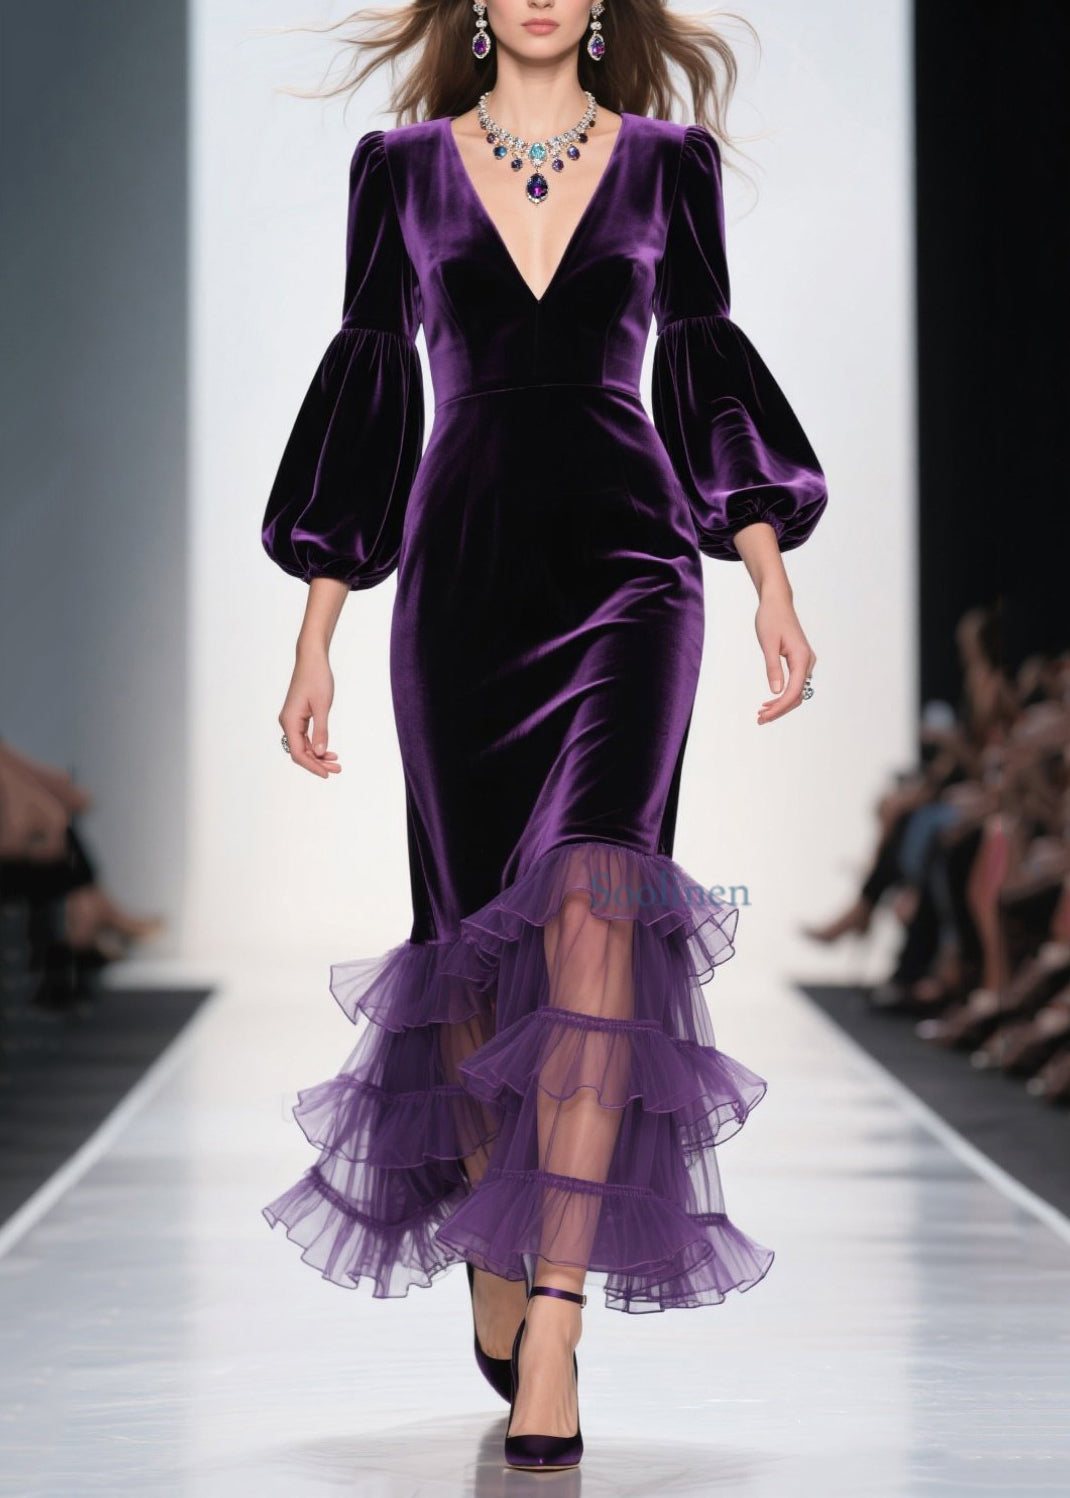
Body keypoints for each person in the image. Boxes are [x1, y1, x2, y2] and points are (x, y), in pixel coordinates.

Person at [259, 0, 827, 1472]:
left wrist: (766, 576)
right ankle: (498, 1230)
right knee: (470, 949)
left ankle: (558, 1316)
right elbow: (373, 389)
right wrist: (318, 630)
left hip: (631, 573)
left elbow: (700, 368)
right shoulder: (397, 171)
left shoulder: (667, 163)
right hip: (459, 581)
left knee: (594, 904)